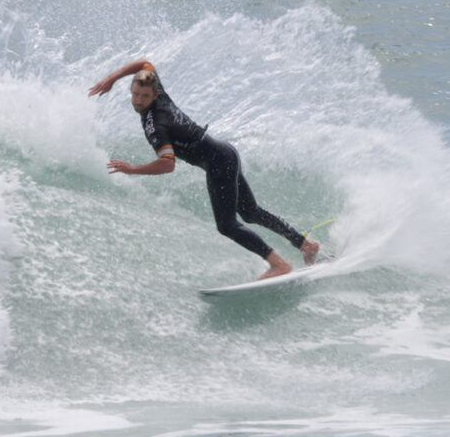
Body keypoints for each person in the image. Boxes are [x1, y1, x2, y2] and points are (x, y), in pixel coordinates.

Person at [89, 59, 320, 280]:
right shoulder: (156, 90)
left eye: (144, 97)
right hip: (226, 152)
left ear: (155, 94)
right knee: (250, 212)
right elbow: (143, 63)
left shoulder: (155, 124)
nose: (138, 101)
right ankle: (306, 245)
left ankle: (278, 264)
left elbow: (167, 164)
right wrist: (113, 78)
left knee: (228, 225)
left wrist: (132, 170)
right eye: (135, 94)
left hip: (219, 163)